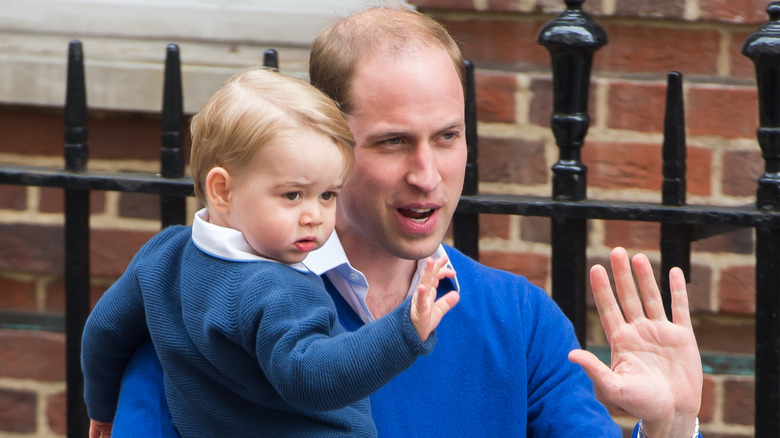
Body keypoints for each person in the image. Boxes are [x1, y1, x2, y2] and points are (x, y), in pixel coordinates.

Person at [109, 5, 704, 437]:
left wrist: (673, 427)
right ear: (332, 145)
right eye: (393, 142)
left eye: (447, 136)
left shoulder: (518, 318)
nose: (427, 173)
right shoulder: (201, 305)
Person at [80, 66, 460, 438]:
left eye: (328, 195)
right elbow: (311, 378)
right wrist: (404, 330)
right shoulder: (277, 290)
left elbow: (103, 332)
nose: (314, 216)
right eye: (292, 195)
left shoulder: (163, 256)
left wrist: (100, 408)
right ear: (222, 191)